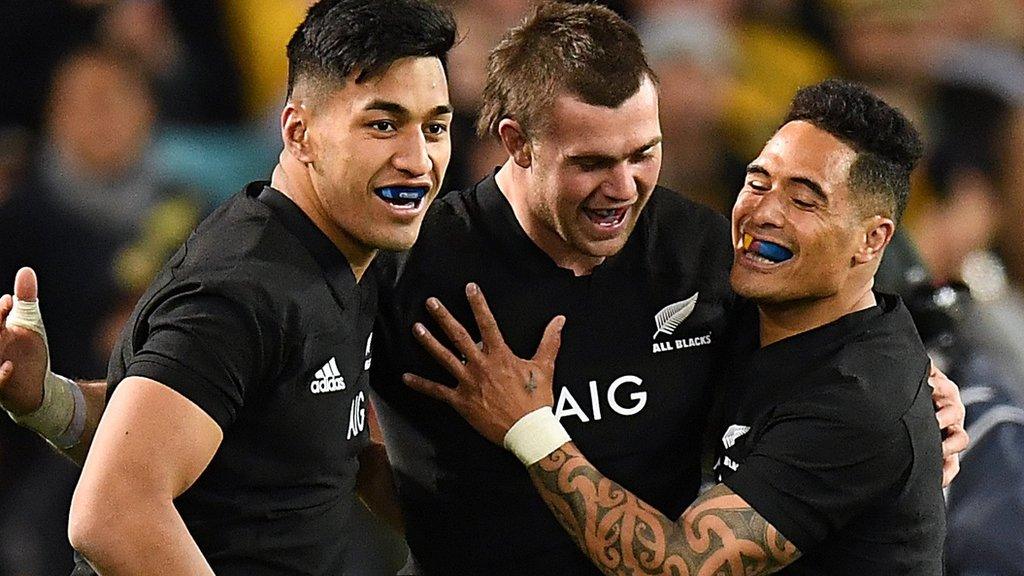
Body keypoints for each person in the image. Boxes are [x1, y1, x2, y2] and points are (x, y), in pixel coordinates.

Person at [368, 4, 965, 574]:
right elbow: (326, 437)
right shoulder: (408, 267)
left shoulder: (710, 257)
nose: (624, 187)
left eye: (643, 153)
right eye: (592, 162)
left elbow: (843, 344)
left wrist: (922, 396)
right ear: (518, 142)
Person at [0, 0, 455, 573]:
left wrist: (48, 401)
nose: (418, 159)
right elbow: (113, 512)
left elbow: (198, 435)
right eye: (382, 125)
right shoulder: (244, 291)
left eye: (435, 127)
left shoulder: (353, 250)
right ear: (300, 133)